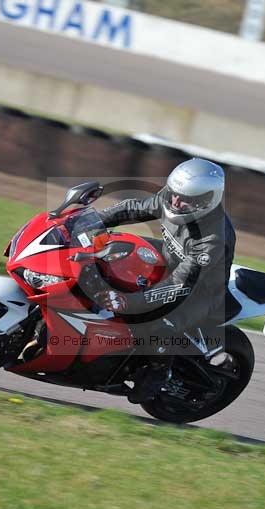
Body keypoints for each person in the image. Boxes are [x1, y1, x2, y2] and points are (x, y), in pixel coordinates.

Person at [95, 158, 236, 403]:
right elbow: (133, 208)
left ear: (206, 201)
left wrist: (131, 302)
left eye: (185, 199)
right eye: (174, 194)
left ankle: (159, 373)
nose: (175, 202)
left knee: (157, 324)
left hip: (200, 292)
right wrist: (93, 221)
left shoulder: (213, 238)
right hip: (169, 259)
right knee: (115, 248)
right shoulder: (173, 197)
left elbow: (180, 284)